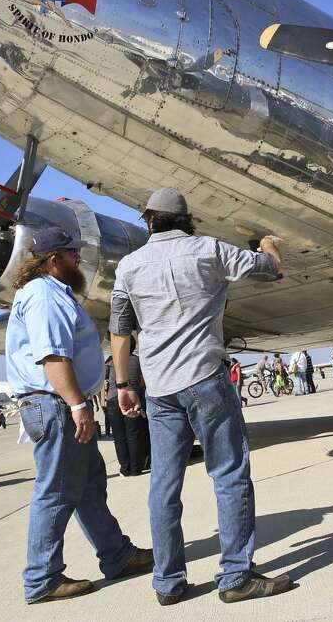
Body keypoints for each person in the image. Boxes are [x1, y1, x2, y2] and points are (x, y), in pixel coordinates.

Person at [110, 188, 294, 605]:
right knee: (229, 475)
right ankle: (235, 577)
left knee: (163, 485)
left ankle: (169, 582)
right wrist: (267, 246)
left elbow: (120, 329)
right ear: (185, 220)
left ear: (149, 220)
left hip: (159, 389)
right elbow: (268, 270)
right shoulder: (208, 249)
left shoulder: (129, 267)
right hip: (205, 377)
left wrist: (124, 385)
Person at [7, 226, 153, 604]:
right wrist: (76, 404)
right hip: (55, 404)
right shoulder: (44, 295)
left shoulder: (51, 292)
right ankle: (42, 578)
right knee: (55, 491)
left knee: (88, 485)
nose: (79, 258)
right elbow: (53, 356)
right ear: (53, 260)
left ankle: (117, 555)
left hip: (57, 402)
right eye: (72, 253)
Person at [102, 340, 150, 476]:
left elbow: (104, 377)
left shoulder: (111, 360)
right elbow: (143, 380)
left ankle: (125, 467)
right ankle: (136, 467)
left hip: (113, 399)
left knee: (119, 436)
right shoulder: (138, 360)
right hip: (133, 399)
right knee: (134, 434)